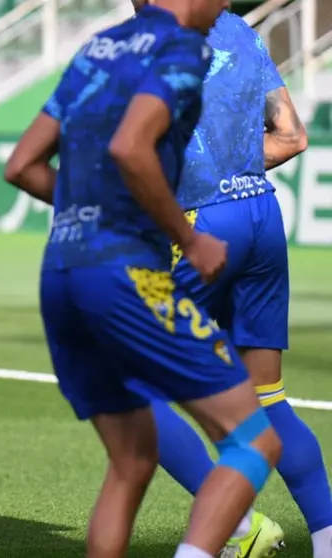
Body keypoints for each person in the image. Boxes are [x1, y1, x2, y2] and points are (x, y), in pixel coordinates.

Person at [4, 1, 284, 556]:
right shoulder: (182, 49)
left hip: (60, 274)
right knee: (255, 440)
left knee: (131, 463)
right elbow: (131, 147)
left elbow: (21, 166)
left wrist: (96, 208)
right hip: (127, 272)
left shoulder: (96, 48)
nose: (225, 5)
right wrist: (189, 237)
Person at [129, 6, 330, 558]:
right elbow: (291, 137)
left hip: (202, 225)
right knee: (268, 398)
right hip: (261, 217)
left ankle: (235, 532)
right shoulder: (238, 29)